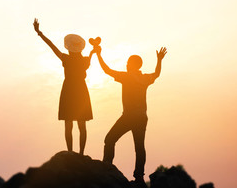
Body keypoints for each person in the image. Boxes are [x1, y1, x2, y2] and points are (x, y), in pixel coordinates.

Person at [95, 45, 167, 187]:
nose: (126, 65)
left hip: (129, 117)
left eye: (128, 63)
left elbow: (107, 70)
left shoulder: (126, 76)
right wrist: (159, 60)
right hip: (142, 117)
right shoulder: (144, 78)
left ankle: (107, 167)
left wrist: (98, 54)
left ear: (131, 65)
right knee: (139, 147)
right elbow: (157, 74)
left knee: (109, 139)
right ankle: (139, 176)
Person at [33, 18, 95, 155]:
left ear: (69, 47)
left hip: (68, 90)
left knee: (68, 124)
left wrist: (39, 33)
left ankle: (70, 152)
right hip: (81, 91)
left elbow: (51, 46)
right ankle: (81, 153)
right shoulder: (84, 60)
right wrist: (93, 51)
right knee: (82, 124)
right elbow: (90, 58)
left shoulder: (66, 59)